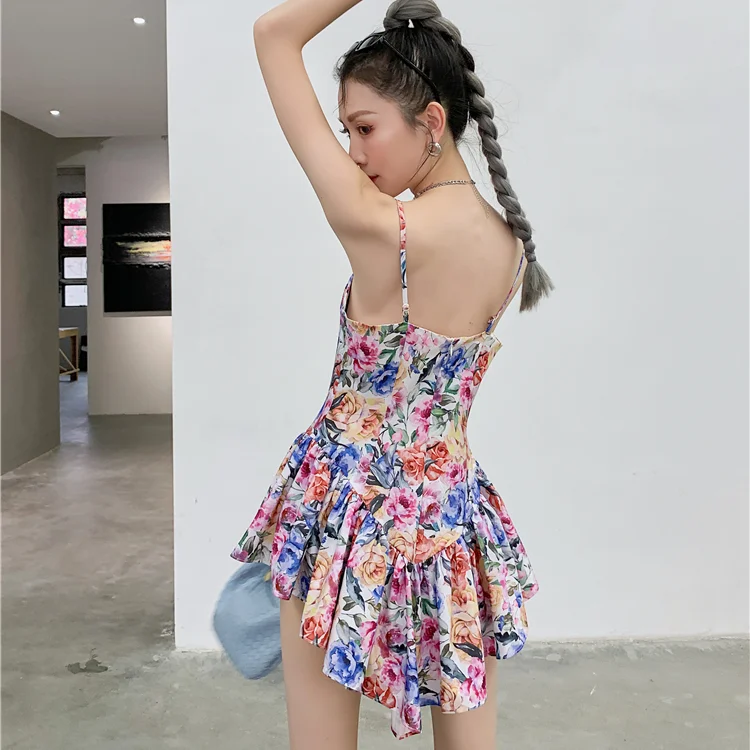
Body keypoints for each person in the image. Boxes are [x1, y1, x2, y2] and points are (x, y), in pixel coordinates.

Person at [231, 0, 552, 747]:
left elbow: (273, 33)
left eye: (364, 127)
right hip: (452, 515)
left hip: (341, 515)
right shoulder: (512, 248)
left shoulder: (386, 229)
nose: (353, 151)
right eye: (346, 131)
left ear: (432, 122)